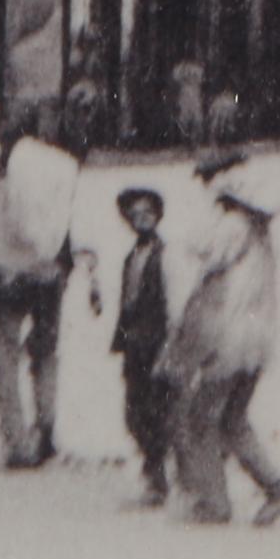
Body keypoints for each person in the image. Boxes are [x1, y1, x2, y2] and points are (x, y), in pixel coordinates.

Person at [0, 101, 87, 468]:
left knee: (4, 355)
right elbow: (66, 220)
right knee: (46, 352)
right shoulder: (57, 163)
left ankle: (16, 440)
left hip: (2, 274)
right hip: (46, 272)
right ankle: (46, 429)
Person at [160, 154, 280, 526]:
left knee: (203, 416)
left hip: (229, 335)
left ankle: (214, 503)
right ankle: (274, 486)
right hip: (255, 337)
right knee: (232, 418)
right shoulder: (257, 230)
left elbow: (199, 249)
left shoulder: (232, 226)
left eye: (209, 180)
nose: (206, 188)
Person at [106, 184, 174, 509]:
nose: (140, 219)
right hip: (135, 343)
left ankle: (159, 480)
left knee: (155, 410)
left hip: (155, 342)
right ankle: (157, 475)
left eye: (147, 213)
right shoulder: (131, 255)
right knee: (134, 412)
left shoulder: (164, 255)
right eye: (134, 214)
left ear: (158, 216)